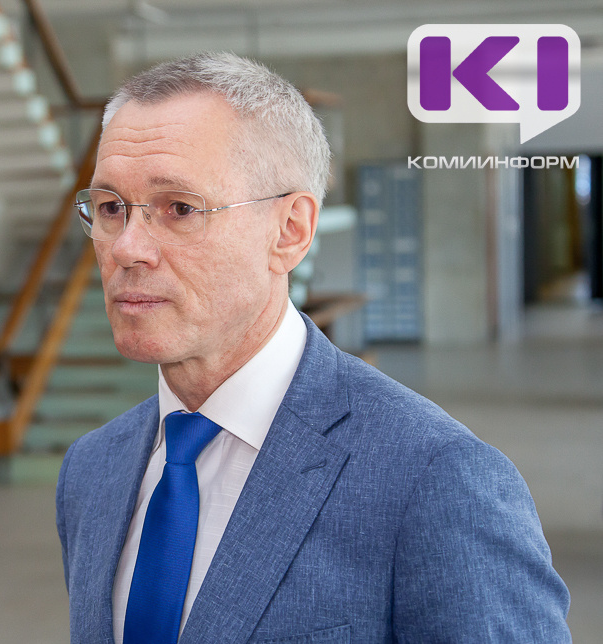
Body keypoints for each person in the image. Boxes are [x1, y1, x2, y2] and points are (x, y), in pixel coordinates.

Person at [55, 51, 570, 643]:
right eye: (111, 208)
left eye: (179, 208)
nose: (126, 248)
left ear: (290, 231)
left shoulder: (436, 481)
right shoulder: (92, 470)